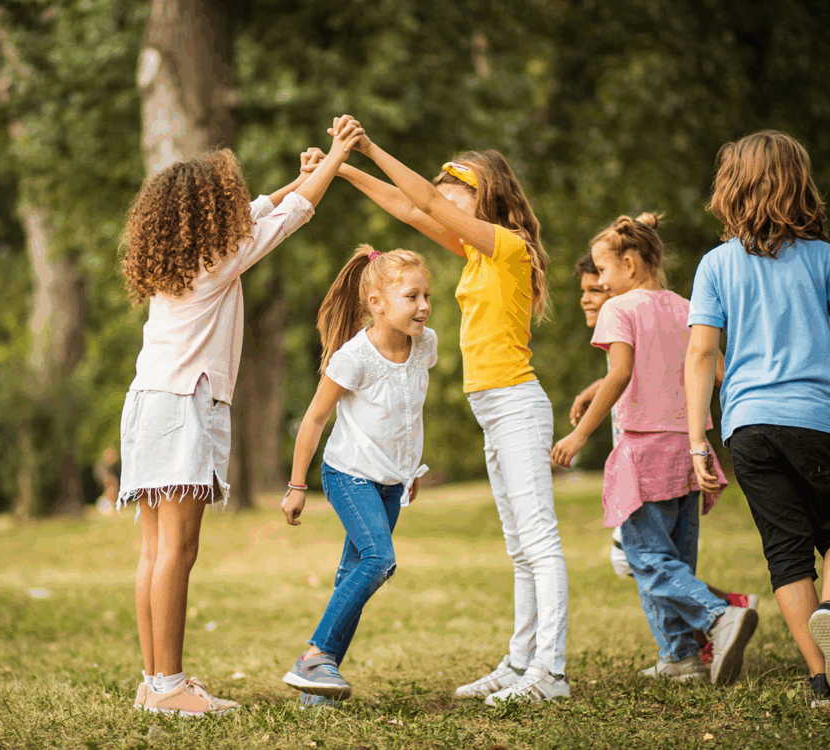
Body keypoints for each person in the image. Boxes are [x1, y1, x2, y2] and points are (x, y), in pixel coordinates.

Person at [304, 117, 570, 703]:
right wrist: (341, 166)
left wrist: (371, 145)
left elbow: (421, 199)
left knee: (539, 541)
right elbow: (410, 208)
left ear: (485, 196)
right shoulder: (479, 256)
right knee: (519, 545)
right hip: (494, 409)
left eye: (458, 186)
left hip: (517, 404)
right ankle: (520, 662)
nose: (443, 192)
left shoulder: (507, 247)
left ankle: (549, 672)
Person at [116, 121, 366, 717]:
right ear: (209, 215)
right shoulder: (220, 257)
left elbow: (268, 206)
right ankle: (170, 686)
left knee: (154, 551)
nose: (241, 206)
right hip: (183, 405)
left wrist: (302, 176)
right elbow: (295, 213)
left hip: (147, 401)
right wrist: (334, 156)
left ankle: (155, 682)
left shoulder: (181, 260)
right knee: (179, 549)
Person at [551, 213, 758, 686]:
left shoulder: (617, 308)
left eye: (602, 272)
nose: (599, 283)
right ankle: (680, 657)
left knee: (646, 558)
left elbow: (623, 371)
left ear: (628, 263)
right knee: (676, 560)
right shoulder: (685, 305)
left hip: (644, 451)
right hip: (689, 450)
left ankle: (719, 615)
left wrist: (580, 433)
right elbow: (717, 369)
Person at [685, 130, 830, 707]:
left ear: (730, 190)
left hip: (747, 426)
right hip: (817, 417)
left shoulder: (715, 265)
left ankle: (821, 678)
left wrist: (699, 441)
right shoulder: (823, 259)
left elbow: (699, 354)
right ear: (800, 185)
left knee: (786, 551)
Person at [279, 243, 436, 709]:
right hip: (348, 475)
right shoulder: (355, 357)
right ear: (377, 304)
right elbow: (313, 419)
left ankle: (317, 689)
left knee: (354, 573)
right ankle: (314, 657)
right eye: (412, 296)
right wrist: (296, 486)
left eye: (427, 295)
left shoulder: (424, 345)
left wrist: (411, 468)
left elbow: (407, 413)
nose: (424, 306)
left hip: (390, 481)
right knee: (378, 561)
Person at [94, 447, 120, 515]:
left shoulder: (104, 466)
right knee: (112, 487)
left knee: (113, 487)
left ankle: (107, 505)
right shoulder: (103, 465)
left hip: (104, 472)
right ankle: (103, 505)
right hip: (103, 473)